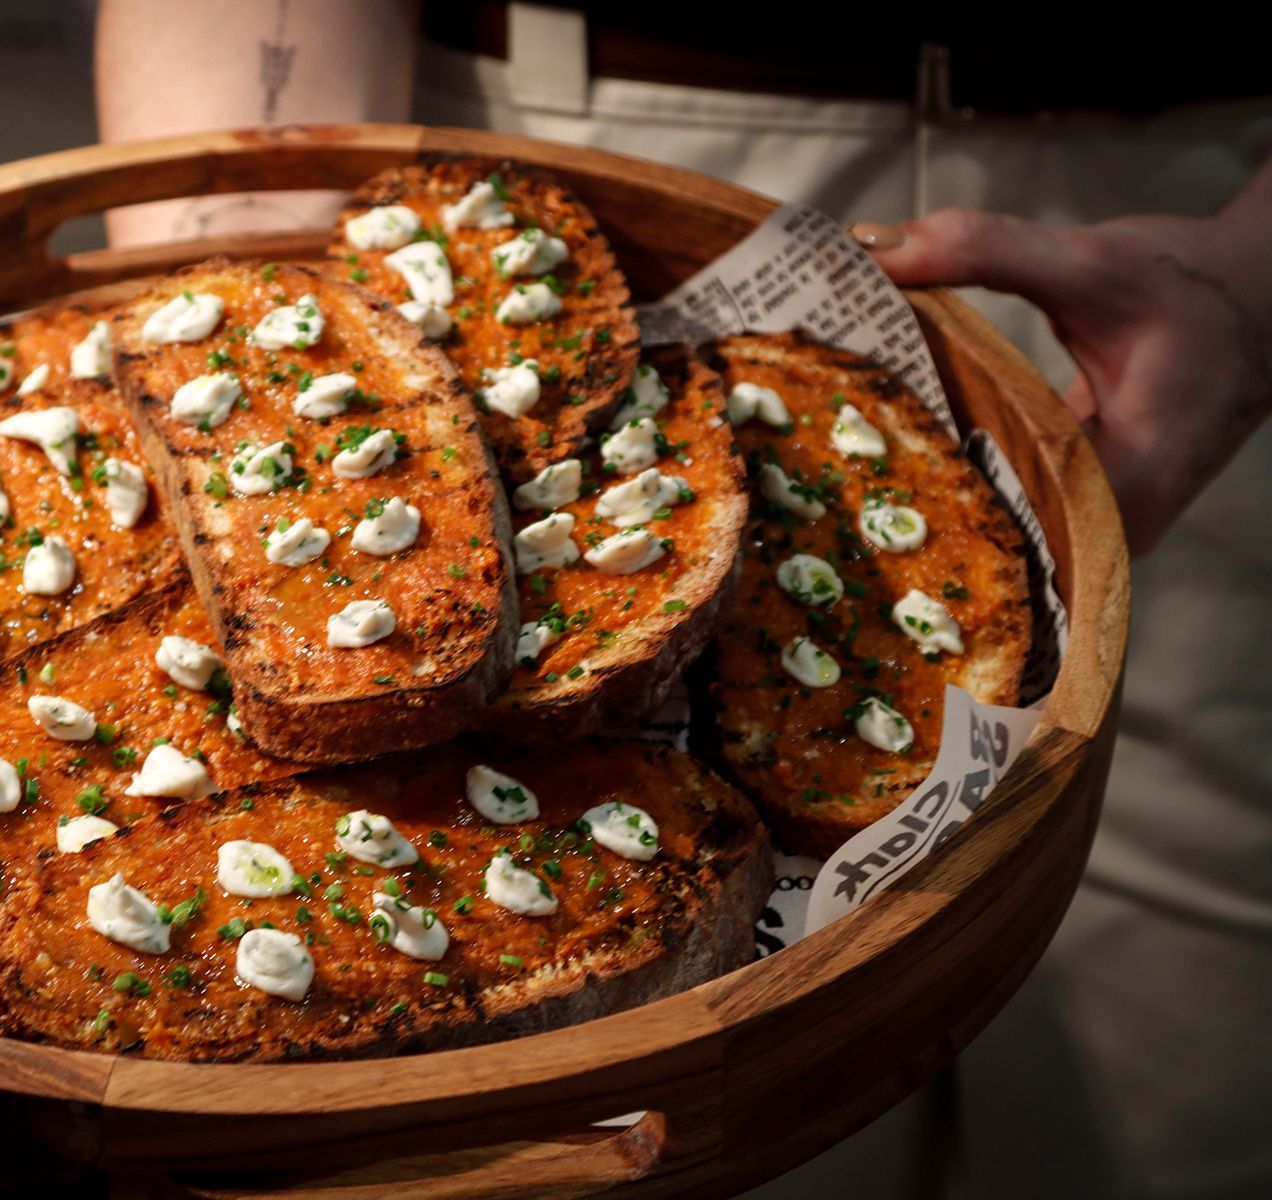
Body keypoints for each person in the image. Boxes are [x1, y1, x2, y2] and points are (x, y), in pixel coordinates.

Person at [96, 5, 1272, 1195]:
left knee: (1183, 1100)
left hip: (1190, 210)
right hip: (628, 147)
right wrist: (231, 292)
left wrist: (1255, 276)